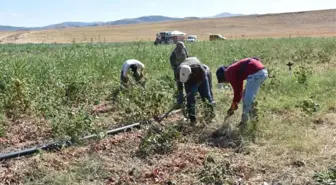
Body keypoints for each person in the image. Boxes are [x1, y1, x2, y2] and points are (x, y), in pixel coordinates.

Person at [215, 57, 268, 126]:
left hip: (256, 74)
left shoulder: (229, 73)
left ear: (222, 77)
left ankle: (243, 123)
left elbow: (237, 93)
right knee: (246, 96)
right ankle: (254, 119)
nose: (226, 82)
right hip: (262, 72)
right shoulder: (233, 69)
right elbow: (239, 90)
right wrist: (234, 104)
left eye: (223, 81)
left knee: (247, 100)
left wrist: (232, 108)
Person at [175, 57, 215, 124]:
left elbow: (203, 76)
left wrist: (196, 85)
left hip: (201, 78)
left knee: (206, 97)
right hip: (189, 81)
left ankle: (210, 117)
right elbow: (179, 82)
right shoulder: (178, 71)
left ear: (190, 74)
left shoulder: (198, 68)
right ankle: (192, 120)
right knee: (190, 100)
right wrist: (180, 93)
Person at [170, 41, 189, 106]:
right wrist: (175, 70)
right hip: (178, 68)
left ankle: (188, 94)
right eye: (180, 47)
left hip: (185, 66)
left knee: (187, 80)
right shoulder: (174, 53)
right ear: (177, 47)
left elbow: (188, 57)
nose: (181, 49)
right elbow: (172, 62)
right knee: (179, 82)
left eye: (182, 47)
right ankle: (180, 95)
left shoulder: (184, 50)